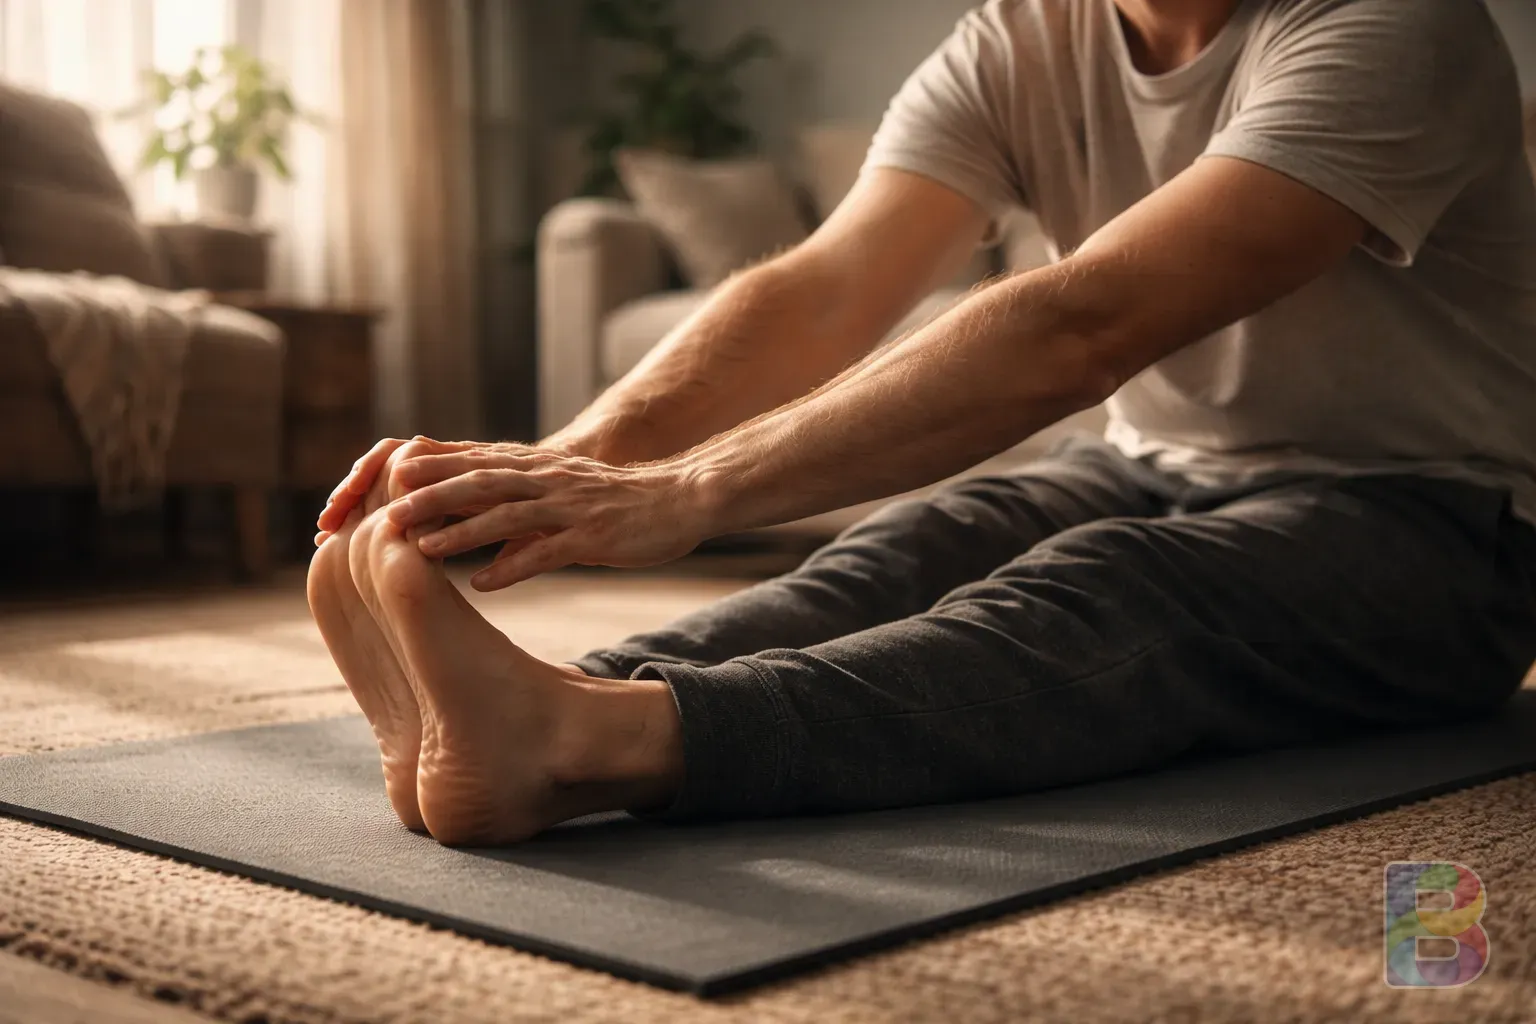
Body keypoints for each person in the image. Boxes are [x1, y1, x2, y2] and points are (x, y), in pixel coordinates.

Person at [306, 0, 1536, 846]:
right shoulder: (1020, 36)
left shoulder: (1393, 26)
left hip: (1442, 523)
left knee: (1109, 584)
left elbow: (1087, 320)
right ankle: (564, 694)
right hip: (1154, 465)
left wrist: (682, 492)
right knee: (909, 548)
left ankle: (602, 741)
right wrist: (576, 460)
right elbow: (827, 287)